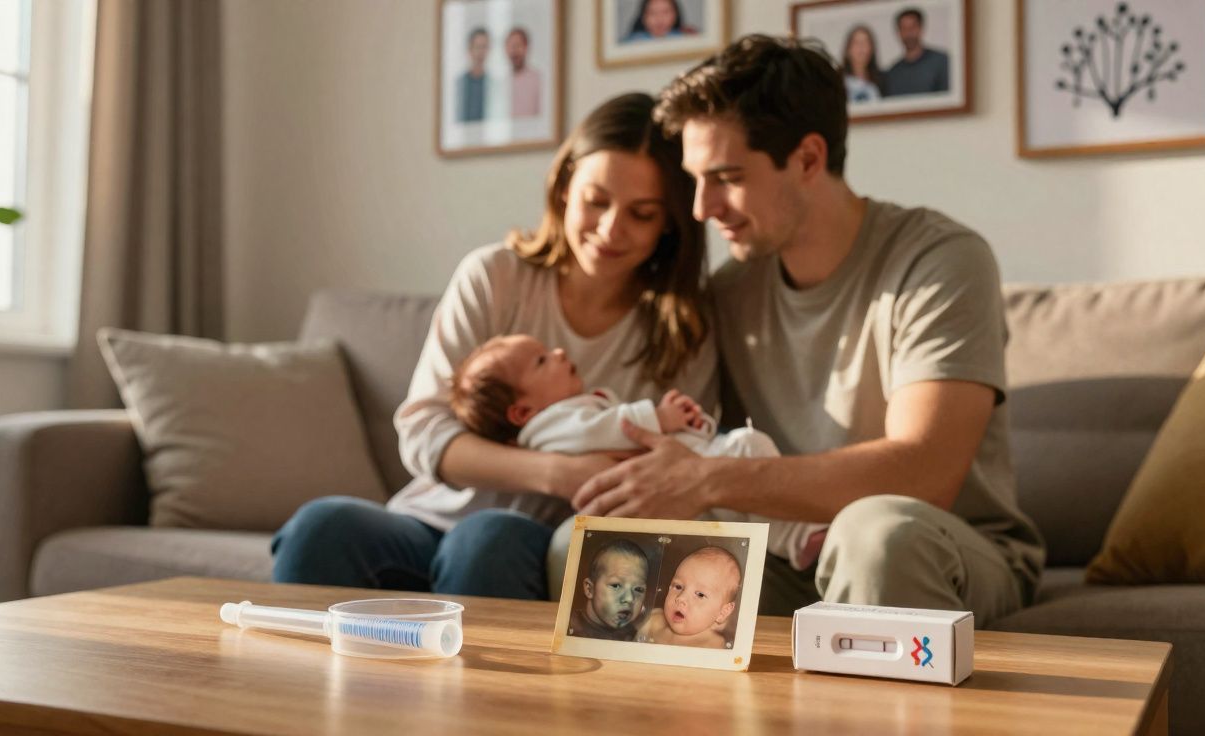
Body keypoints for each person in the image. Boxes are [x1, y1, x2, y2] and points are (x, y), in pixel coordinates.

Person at [572, 35, 1045, 626]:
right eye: (696, 181)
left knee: (876, 533)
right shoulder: (731, 290)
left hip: (936, 550)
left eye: (726, 177)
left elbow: (924, 474)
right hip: (787, 553)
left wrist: (706, 478)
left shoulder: (939, 262)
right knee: (591, 545)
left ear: (808, 159)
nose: (701, 208)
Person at [270, 92, 715, 600]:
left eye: (642, 213)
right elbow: (424, 432)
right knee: (320, 526)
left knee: (485, 540)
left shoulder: (682, 328)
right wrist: (560, 473)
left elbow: (679, 464)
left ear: (670, 221)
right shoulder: (495, 277)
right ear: (564, 188)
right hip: (426, 522)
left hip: (532, 544)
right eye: (596, 201)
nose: (611, 228)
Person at [449, 333, 827, 570]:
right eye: (542, 360)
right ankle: (795, 539)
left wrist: (687, 424)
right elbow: (603, 430)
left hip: (686, 469)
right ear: (522, 413)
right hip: (672, 487)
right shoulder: (549, 427)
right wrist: (659, 417)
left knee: (745, 454)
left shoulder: (576, 409)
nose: (559, 352)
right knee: (748, 447)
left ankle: (795, 535)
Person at [636, 546, 741, 648]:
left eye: (700, 594)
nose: (681, 598)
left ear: (722, 613)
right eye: (678, 587)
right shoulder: (653, 621)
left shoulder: (712, 646)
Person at [570, 539, 651, 641]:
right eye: (616, 586)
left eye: (638, 589)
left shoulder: (635, 637)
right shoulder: (570, 629)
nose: (629, 598)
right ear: (589, 589)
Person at [885, 8, 949, 96]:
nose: (908, 33)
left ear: (921, 29)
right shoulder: (892, 73)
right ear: (898, 33)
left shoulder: (941, 62)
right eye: (904, 28)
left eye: (912, 27)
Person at [841, 25, 885, 103]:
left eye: (865, 43)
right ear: (848, 49)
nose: (861, 47)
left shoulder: (883, 80)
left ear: (872, 49)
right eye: (856, 43)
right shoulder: (838, 80)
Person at [505, 27, 541, 118]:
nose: (514, 51)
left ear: (526, 47)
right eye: (511, 46)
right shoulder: (500, 82)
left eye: (518, 46)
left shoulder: (537, 79)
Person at [457, 27, 490, 122]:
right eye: (478, 47)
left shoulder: (493, 85)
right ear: (470, 49)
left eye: (484, 47)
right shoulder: (459, 84)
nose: (481, 52)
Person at [624, 0, 695, 43]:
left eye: (665, 12)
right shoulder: (632, 42)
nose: (659, 19)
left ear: (675, 15)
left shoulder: (685, 38)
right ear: (643, 17)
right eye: (653, 13)